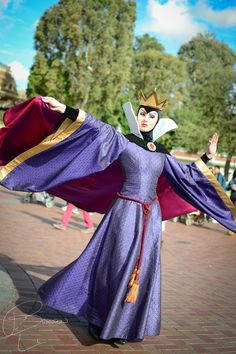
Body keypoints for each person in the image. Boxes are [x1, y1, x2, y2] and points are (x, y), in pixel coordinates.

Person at [0, 90, 235, 344]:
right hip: (124, 212)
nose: (145, 118)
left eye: (151, 115)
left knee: (141, 269)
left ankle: (122, 326)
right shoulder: (123, 141)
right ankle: (99, 319)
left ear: (158, 120)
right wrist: (65, 108)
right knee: (115, 264)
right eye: (142, 113)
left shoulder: (163, 153)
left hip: (150, 218)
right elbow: (95, 127)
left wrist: (208, 155)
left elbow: (188, 176)